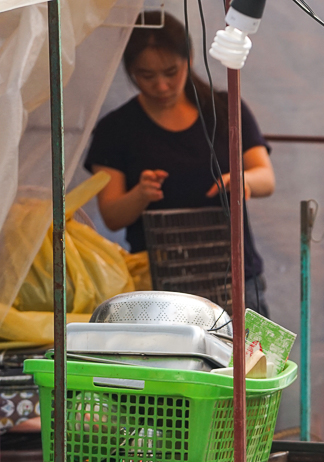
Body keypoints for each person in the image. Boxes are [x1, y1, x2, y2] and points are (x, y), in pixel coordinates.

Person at [84, 10, 275, 317]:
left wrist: (243, 180)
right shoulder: (116, 129)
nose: (161, 86)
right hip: (160, 286)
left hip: (236, 278)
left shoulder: (225, 108)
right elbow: (112, 215)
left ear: (189, 58)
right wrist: (140, 194)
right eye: (146, 76)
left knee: (246, 363)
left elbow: (265, 178)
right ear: (129, 70)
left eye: (171, 72)